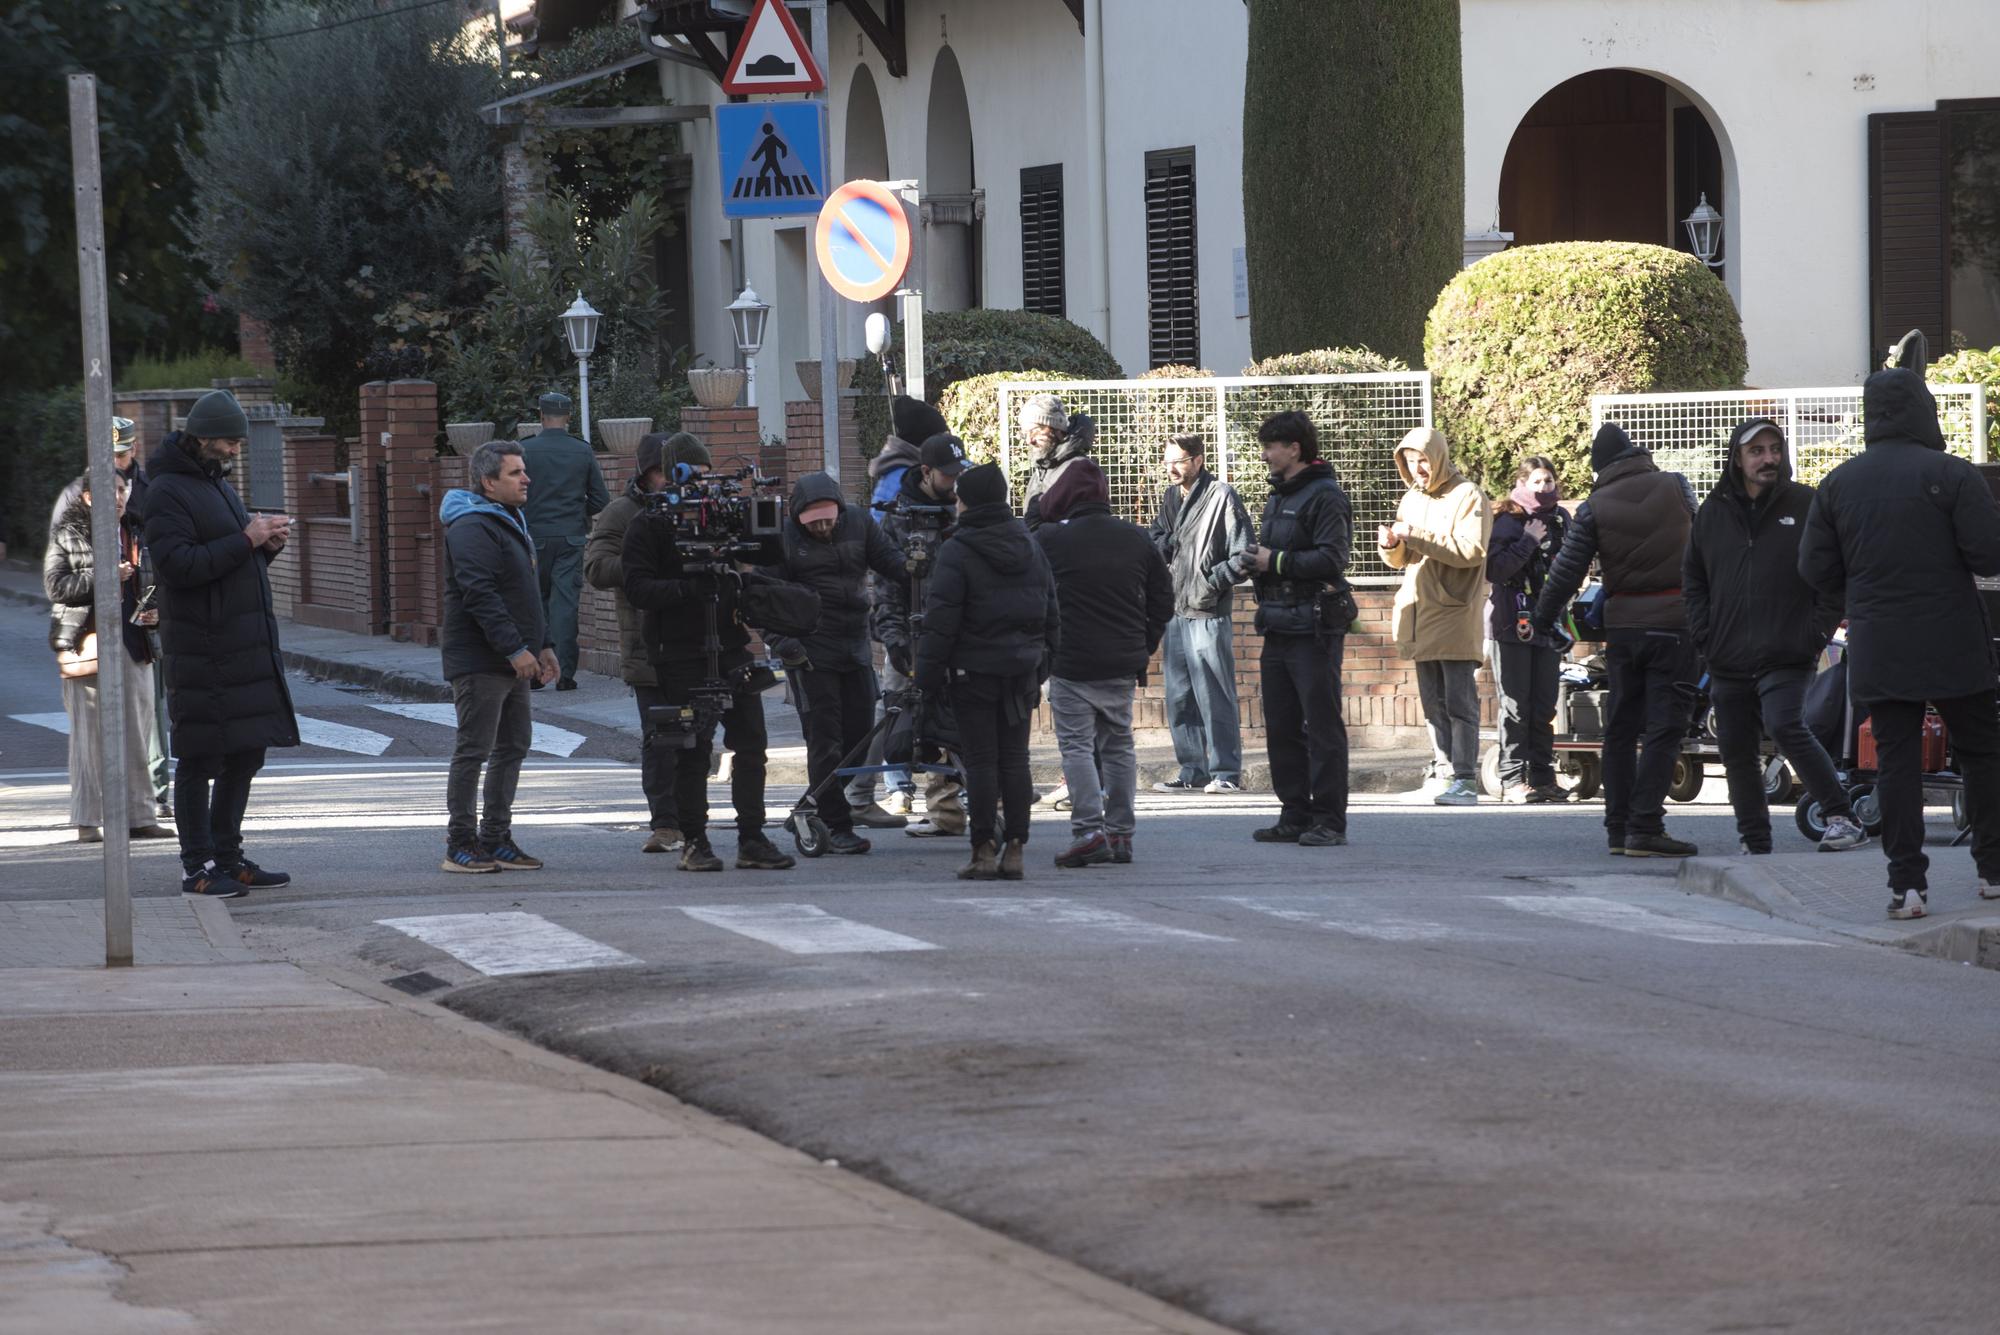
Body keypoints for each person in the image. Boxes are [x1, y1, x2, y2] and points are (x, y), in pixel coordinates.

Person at [1800, 368, 2000, 918]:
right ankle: (1992, 870)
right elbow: (1989, 554)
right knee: (1981, 753)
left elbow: (1813, 566)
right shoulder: (1953, 475)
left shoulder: (1839, 484)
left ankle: (1906, 885)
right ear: (1923, 409)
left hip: (1880, 639)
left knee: (1896, 761)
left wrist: (1860, 594)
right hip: (1954, 636)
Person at [1686, 420, 1867, 856]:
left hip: (1789, 648)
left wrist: (1815, 631)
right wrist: (1705, 634)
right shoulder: (1713, 510)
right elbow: (1694, 578)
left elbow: (1835, 577)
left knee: (1785, 723)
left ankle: (1842, 816)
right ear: (1737, 458)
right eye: (1757, 451)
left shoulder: (1806, 504)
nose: (1768, 458)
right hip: (1727, 652)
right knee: (1736, 750)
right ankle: (1756, 842)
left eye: (1774, 449)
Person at [144, 389, 299, 896]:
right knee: (201, 758)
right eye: (230, 442)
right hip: (203, 649)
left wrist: (263, 549)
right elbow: (179, 567)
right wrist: (247, 539)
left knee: (245, 755)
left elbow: (227, 562)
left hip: (241, 646)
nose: (236, 451)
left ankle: (228, 858)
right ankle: (197, 868)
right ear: (203, 437)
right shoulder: (166, 490)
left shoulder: (216, 485)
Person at [1533, 423, 1700, 859]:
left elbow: (1567, 570)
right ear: (1636, 453)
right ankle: (1646, 826)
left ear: (1601, 468)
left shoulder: (1594, 506)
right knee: (1665, 729)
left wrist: (1544, 619)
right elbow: (1705, 546)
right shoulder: (1675, 486)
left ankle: (1619, 829)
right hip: (1675, 624)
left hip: (1624, 630)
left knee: (1621, 730)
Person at [622, 452, 794, 873]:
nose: (701, 491)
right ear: (667, 477)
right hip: (678, 652)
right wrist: (687, 590)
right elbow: (638, 588)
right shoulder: (650, 523)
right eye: (691, 480)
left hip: (731, 645)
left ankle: (752, 838)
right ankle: (695, 841)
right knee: (692, 749)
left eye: (706, 479)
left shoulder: (725, 514)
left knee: (751, 745)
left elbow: (772, 553)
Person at [915, 462, 1060, 880]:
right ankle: (1015, 847)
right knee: (1015, 760)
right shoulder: (1030, 544)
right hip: (1021, 671)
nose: (956, 504)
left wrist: (926, 678)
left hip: (972, 672)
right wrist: (1042, 663)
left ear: (970, 501)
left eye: (960, 497)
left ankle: (983, 849)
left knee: (980, 763)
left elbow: (941, 621)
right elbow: (1052, 611)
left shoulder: (958, 549)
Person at [1037, 459, 1171, 866]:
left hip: (1071, 661)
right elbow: (1163, 600)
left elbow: (1036, 596)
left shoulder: (1050, 540)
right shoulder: (1136, 538)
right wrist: (1142, 644)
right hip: (1120, 661)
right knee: (1118, 747)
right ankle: (1121, 835)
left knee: (1076, 747)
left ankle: (1088, 830)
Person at [768, 469, 910, 855]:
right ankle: (836, 823)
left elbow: (891, 562)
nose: (823, 528)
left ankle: (811, 805)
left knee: (859, 738)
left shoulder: (859, 523)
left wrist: (919, 566)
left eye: (829, 520)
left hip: (854, 647)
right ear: (798, 518)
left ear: (839, 512)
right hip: (811, 653)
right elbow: (762, 599)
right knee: (825, 740)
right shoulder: (783, 539)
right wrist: (784, 644)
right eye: (814, 523)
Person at [438, 441, 557, 873]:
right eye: (514, 473)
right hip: (481, 660)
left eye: (523, 471)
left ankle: (496, 837)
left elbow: (525, 595)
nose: (526, 479)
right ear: (489, 482)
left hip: (515, 658)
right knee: (474, 750)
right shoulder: (472, 526)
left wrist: (544, 645)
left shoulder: (507, 519)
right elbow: (480, 594)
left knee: (513, 746)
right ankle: (461, 843)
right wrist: (513, 648)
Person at [585, 432, 704, 855]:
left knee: (699, 737)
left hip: (698, 643)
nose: (672, 481)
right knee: (661, 738)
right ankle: (666, 824)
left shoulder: (700, 504)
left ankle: (695, 822)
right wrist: (645, 561)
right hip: (647, 647)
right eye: (662, 473)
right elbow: (596, 568)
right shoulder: (622, 513)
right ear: (646, 474)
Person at [1243, 411, 1354, 847]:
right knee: (1282, 724)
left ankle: (1329, 820)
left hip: (1314, 626)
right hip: (1277, 623)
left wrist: (1277, 562)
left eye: (1272, 446)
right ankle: (1294, 814)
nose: (1265, 454)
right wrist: (1254, 561)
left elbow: (1333, 558)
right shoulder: (1277, 496)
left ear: (1295, 448)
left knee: (1322, 725)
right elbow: (1277, 554)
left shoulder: (1326, 495)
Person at [43, 474, 173, 845]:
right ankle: (88, 820)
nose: (117, 497)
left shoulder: (137, 530)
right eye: (108, 491)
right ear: (86, 497)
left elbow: (158, 581)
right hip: (88, 644)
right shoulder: (69, 532)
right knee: (89, 737)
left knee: (138, 732)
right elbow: (57, 586)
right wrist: (103, 576)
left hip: (136, 642)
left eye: (121, 490)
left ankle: (139, 815)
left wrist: (157, 611)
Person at [847, 396, 949, 821]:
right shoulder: (900, 484)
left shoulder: (897, 472)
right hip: (907, 610)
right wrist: (892, 631)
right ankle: (876, 786)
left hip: (920, 608)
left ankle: (922, 789)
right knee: (896, 701)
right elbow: (889, 559)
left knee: (909, 702)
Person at [1381, 427, 1491, 807]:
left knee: (1460, 702)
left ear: (1439, 456)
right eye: (1410, 461)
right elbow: (1405, 558)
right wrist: (1392, 547)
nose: (1417, 468)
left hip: (1455, 612)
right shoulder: (1411, 497)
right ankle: (1442, 771)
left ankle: (1464, 779)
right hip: (1419, 611)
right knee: (1431, 703)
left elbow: (1472, 551)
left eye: (1423, 460)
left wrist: (1416, 534)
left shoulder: (1468, 495)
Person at [875, 434, 972, 840]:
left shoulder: (963, 512)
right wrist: (895, 639)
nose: (954, 482)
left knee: (954, 719)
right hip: (912, 632)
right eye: (947, 476)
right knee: (894, 713)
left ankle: (948, 810)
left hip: (956, 634)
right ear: (927, 472)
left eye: (958, 474)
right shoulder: (898, 517)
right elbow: (886, 586)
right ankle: (875, 791)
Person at [1148, 433, 1252, 795]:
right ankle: (1193, 770)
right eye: (1167, 462)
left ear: (1198, 459)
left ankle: (1226, 772)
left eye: (1178, 460)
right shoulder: (1170, 497)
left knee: (1214, 694)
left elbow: (1244, 553)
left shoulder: (1221, 496)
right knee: (1179, 696)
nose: (1172, 468)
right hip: (1177, 608)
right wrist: (1169, 546)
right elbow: (1157, 537)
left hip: (1208, 609)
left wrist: (1212, 581)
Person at [1486, 456, 1570, 803]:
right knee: (1516, 705)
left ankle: (1543, 777)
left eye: (1548, 481)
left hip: (1548, 623)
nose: (1543, 487)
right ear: (1522, 483)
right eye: (1536, 481)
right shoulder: (1508, 518)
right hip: (1512, 622)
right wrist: (1529, 541)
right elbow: (1495, 569)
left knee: (1543, 706)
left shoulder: (1562, 519)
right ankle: (1511, 778)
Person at [520, 391, 608, 691]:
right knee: (565, 605)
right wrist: (575, 514)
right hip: (570, 536)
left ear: (541, 416)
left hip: (533, 536)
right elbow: (601, 499)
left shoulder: (525, 449)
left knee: (533, 602)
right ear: (569, 417)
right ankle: (565, 674)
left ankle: (534, 673)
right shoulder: (581, 451)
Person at [1019, 394, 1092, 531]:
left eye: (1035, 431)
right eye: (1025, 433)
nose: (1029, 440)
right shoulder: (1043, 467)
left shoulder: (1078, 469)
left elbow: (1083, 530)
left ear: (1056, 428)